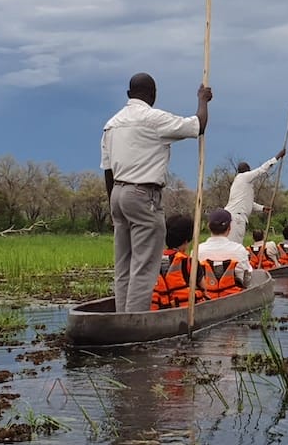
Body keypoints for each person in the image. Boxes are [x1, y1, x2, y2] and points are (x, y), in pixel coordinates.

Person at [101, 72, 212, 313]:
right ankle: (134, 322)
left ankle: (121, 317)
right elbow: (198, 125)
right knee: (144, 266)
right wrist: (202, 100)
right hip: (143, 195)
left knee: (123, 265)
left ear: (129, 94)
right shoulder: (154, 119)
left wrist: (113, 208)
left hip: (117, 194)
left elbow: (108, 171)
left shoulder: (111, 125)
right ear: (153, 96)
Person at [224, 147, 287, 245]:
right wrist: (277, 157)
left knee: (233, 245)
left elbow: (248, 202)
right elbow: (261, 170)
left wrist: (262, 208)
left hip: (233, 216)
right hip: (237, 218)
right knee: (235, 246)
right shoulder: (244, 176)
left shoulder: (240, 183)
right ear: (247, 171)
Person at [151, 214, 204, 310]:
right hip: (185, 310)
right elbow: (204, 289)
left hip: (159, 310)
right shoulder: (190, 263)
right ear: (186, 241)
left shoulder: (153, 260)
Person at [198, 208, 251, 298]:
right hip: (234, 298)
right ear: (229, 228)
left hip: (206, 299)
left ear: (208, 226)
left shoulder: (198, 250)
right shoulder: (239, 249)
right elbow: (247, 280)